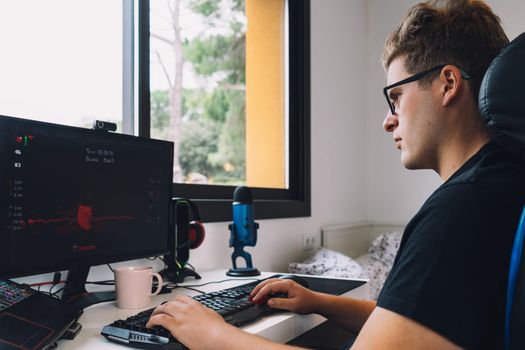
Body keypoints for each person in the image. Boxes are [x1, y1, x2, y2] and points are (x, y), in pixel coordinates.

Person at [146, 1, 525, 348]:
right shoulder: (502, 182)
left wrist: (211, 333)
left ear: (448, 83)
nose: (387, 120)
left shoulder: (460, 208)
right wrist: (318, 302)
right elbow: (416, 323)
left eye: (396, 97)